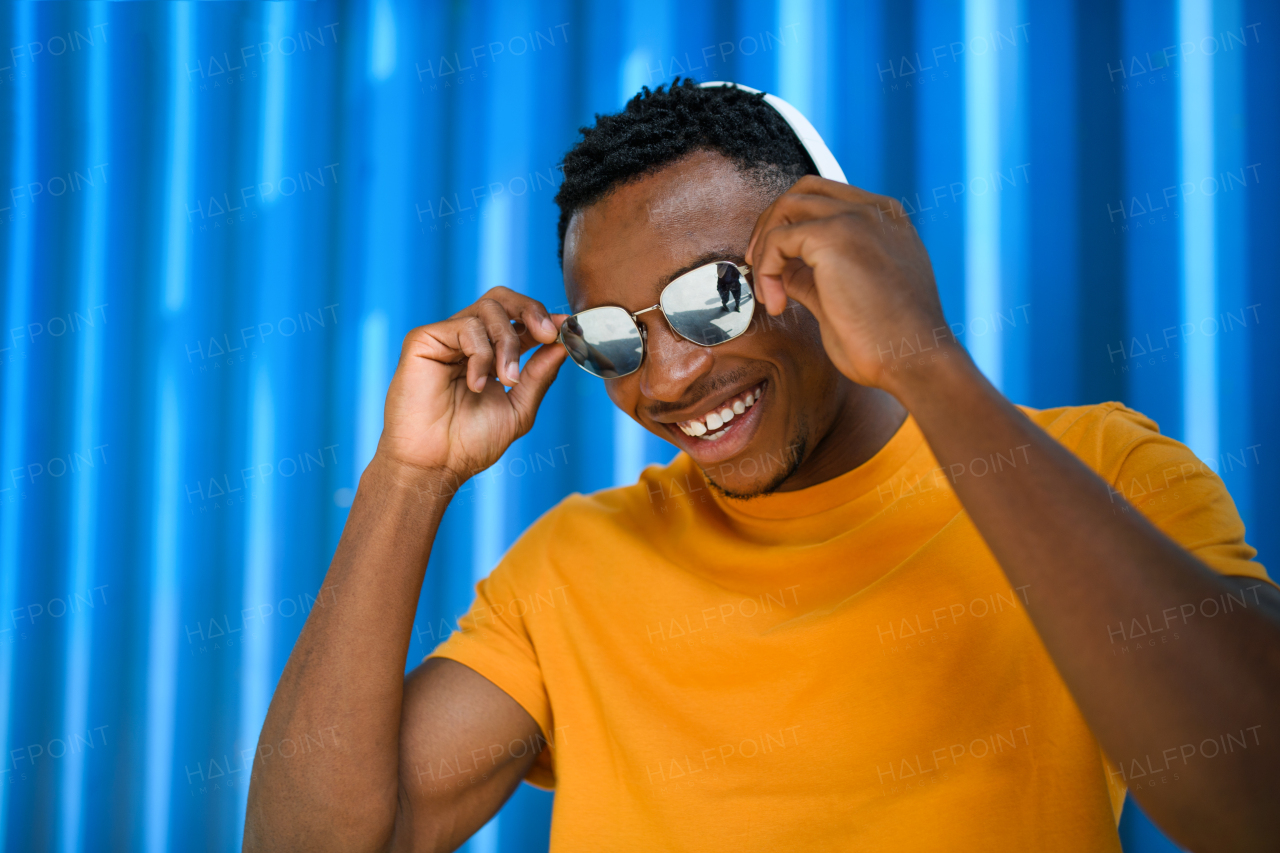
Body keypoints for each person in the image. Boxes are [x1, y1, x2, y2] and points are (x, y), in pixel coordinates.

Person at [244, 79, 1280, 853]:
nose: (668, 376)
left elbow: (1251, 799)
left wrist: (922, 361)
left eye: (714, 298)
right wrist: (408, 477)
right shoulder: (571, 567)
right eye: (612, 335)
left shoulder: (1100, 468)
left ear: (837, 253)